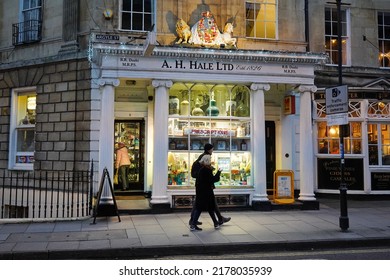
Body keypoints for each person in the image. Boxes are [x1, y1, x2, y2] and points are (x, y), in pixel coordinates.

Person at [189, 143, 231, 226]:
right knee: (208, 204)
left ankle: (194, 220)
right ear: (209, 150)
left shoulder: (203, 159)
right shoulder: (205, 159)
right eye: (212, 149)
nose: (213, 150)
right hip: (205, 187)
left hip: (202, 186)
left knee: (202, 204)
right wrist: (217, 172)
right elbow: (211, 178)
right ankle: (218, 219)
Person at [190, 154, 221, 231]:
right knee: (208, 208)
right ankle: (193, 224)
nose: (211, 162)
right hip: (206, 192)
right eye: (210, 160)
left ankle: (215, 223)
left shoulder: (202, 169)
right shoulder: (206, 170)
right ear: (208, 161)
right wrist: (219, 172)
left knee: (201, 208)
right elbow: (213, 179)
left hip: (201, 192)